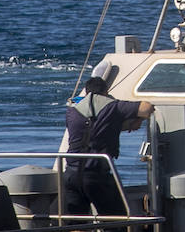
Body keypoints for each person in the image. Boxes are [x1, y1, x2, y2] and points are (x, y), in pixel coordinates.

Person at [65, 77, 153, 218]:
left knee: (74, 222)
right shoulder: (113, 107)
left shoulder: (71, 111)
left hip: (70, 175)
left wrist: (118, 125)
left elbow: (93, 129)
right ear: (106, 92)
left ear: (87, 92)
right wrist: (136, 121)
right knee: (117, 219)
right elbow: (147, 108)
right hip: (96, 175)